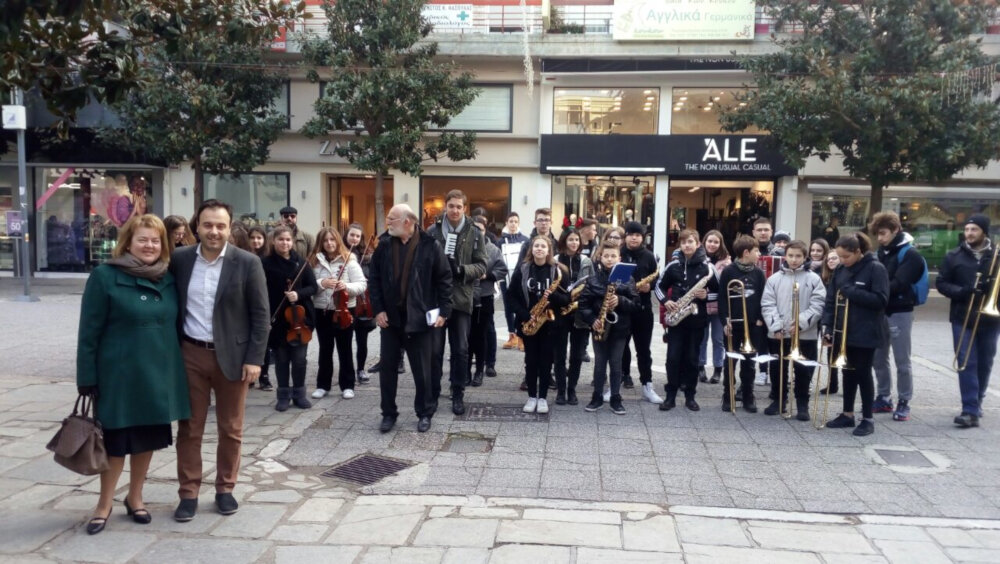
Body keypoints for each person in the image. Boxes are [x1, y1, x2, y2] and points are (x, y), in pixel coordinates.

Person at [76, 215, 191, 535]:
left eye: (155, 240)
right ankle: (104, 504)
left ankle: (135, 497)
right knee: (115, 443)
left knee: (146, 440)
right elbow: (88, 331)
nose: (149, 246)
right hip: (119, 377)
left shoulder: (167, 278)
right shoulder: (104, 276)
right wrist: (86, 376)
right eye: (143, 239)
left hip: (157, 376)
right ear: (127, 243)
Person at [170, 199, 269, 522]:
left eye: (220, 225)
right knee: (189, 428)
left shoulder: (247, 262)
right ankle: (188, 493)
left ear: (230, 228)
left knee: (231, 428)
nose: (214, 231)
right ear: (197, 227)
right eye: (208, 225)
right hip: (190, 354)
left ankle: (225, 489)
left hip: (234, 358)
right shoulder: (180, 259)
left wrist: (255, 359)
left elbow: (261, 315)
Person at [370, 204, 452, 433]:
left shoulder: (430, 245)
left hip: (419, 319)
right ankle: (388, 413)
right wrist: (378, 309)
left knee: (422, 370)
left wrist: (444, 311)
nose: (387, 222)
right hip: (391, 318)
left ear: (407, 222)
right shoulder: (384, 245)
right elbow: (374, 279)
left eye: (392, 219)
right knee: (387, 369)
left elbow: (445, 279)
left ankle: (425, 413)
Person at [426, 190, 488, 415]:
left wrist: (462, 270)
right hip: (436, 300)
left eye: (459, 207)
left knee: (461, 349)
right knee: (434, 351)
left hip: (461, 299)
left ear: (465, 208)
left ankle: (458, 392)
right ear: (445, 206)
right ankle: (432, 394)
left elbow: (482, 265)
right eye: (451, 206)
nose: (454, 210)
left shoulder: (474, 232)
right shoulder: (432, 231)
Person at [821, 233, 889, 436]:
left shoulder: (875, 268)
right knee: (847, 372)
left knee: (863, 373)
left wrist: (852, 292)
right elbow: (831, 300)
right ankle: (847, 413)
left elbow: (881, 300)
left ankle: (867, 418)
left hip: (866, 330)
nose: (842, 261)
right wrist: (828, 327)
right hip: (843, 330)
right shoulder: (841, 269)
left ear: (858, 252)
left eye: (846, 256)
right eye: (839, 256)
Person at [936, 214, 998, 428]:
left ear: (984, 232)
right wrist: (964, 291)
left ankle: (977, 401)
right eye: (967, 229)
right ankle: (969, 409)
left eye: (974, 229)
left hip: (991, 318)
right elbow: (942, 283)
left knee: (985, 362)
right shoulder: (954, 255)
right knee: (966, 362)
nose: (969, 233)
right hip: (963, 316)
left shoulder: (996, 256)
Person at [761, 240, 826, 420]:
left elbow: (818, 304)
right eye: (790, 255)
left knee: (803, 370)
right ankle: (778, 400)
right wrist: (776, 326)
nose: (794, 259)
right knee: (777, 368)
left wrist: (800, 323)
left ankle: (802, 404)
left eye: (798, 256)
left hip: (804, 333)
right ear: (785, 256)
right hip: (779, 333)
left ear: (805, 257)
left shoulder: (814, 279)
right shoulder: (774, 279)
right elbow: (767, 304)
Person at [871, 211, 925, 421]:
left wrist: (874, 291)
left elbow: (899, 283)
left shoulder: (910, 254)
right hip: (880, 310)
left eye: (883, 233)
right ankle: (884, 396)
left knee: (902, 360)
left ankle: (904, 400)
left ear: (895, 230)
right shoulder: (881, 252)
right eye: (877, 234)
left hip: (900, 310)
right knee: (878, 357)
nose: (880, 238)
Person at [508, 235, 571, 413]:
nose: (539, 249)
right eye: (536, 246)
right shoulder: (522, 269)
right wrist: (525, 314)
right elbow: (510, 296)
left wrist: (553, 296)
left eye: (543, 246)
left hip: (550, 324)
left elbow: (567, 299)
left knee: (546, 361)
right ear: (531, 249)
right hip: (529, 321)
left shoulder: (558, 271)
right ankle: (531, 396)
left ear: (549, 250)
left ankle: (542, 397)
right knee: (530, 361)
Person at [657, 229, 718, 411]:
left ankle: (690, 396)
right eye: (683, 242)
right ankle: (670, 396)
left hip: (697, 320)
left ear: (698, 244)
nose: (686, 245)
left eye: (690, 242)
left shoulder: (708, 268)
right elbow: (659, 287)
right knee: (673, 358)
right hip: (676, 321)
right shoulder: (673, 266)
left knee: (692, 359)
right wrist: (666, 301)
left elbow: (719, 293)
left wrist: (706, 295)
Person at [579, 240, 639, 414]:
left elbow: (636, 304)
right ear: (600, 257)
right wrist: (592, 320)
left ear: (619, 258)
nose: (610, 259)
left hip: (620, 329)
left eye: (613, 256)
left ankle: (615, 397)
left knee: (615, 363)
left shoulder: (627, 279)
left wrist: (620, 300)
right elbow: (583, 304)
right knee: (599, 364)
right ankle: (597, 396)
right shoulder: (593, 280)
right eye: (606, 256)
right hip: (599, 327)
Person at [262, 225, 318, 411]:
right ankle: (283, 396)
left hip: (299, 319)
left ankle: (299, 395)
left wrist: (298, 294)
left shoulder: (301, 263)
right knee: (282, 359)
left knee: (300, 359)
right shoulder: (265, 263)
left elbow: (313, 287)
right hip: (278, 319)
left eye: (287, 240)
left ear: (292, 242)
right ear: (274, 241)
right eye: (280, 239)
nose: (284, 243)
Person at [311, 226, 366, 400]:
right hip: (322, 310)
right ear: (321, 243)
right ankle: (323, 385)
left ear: (337, 241)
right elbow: (309, 285)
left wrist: (346, 286)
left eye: (332, 239)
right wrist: (321, 283)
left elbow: (362, 284)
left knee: (345, 348)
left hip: (344, 310)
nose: (329, 243)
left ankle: (348, 385)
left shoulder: (349, 260)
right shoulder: (314, 261)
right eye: (325, 240)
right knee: (325, 349)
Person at [718, 235, 767, 413]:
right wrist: (725, 320)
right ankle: (728, 395)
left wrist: (761, 319)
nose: (759, 254)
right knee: (730, 361)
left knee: (749, 363)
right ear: (746, 252)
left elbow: (764, 297)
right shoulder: (728, 271)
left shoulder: (758, 273)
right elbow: (722, 298)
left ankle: (748, 395)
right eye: (756, 251)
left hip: (753, 325)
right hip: (733, 324)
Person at [621, 221, 664, 403]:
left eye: (638, 235)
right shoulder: (619, 253)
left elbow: (656, 277)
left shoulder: (648, 256)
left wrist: (650, 285)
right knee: (621, 347)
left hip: (643, 309)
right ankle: (621, 378)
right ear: (626, 236)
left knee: (644, 350)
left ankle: (647, 385)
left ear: (642, 237)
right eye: (631, 234)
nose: (634, 238)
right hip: (623, 308)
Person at [553, 228, 594, 405]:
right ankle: (561, 390)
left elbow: (592, 284)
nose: (574, 243)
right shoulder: (554, 260)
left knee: (577, 355)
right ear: (564, 241)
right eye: (571, 239)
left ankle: (572, 389)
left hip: (580, 313)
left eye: (577, 240)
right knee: (559, 355)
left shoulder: (586, 261)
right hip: (560, 311)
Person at [469, 216, 507, 385]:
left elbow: (502, 269)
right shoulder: (464, 247)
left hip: (485, 296)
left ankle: (484, 367)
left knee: (483, 333)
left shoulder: (492, 249)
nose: (477, 233)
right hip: (465, 296)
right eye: (474, 229)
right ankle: (464, 371)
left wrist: (488, 275)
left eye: (480, 229)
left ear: (485, 230)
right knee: (466, 335)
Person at [698, 230, 731, 385]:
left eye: (716, 242)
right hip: (702, 306)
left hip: (719, 307)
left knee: (718, 340)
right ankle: (700, 367)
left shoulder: (727, 262)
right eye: (710, 241)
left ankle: (718, 369)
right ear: (704, 242)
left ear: (720, 244)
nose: (712, 244)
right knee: (702, 339)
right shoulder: (697, 258)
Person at [345, 223, 376, 384]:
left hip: (363, 303)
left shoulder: (368, 256)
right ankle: (347, 370)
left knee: (362, 340)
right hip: (345, 302)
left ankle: (361, 369)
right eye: (352, 235)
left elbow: (373, 278)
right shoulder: (340, 254)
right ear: (346, 235)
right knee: (345, 340)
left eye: (357, 236)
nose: (354, 238)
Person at [247, 225, 273, 391]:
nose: (256, 241)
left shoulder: (268, 259)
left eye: (259, 238)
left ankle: (264, 376)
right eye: (253, 238)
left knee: (265, 342)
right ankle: (249, 376)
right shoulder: (243, 257)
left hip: (264, 303)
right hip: (246, 304)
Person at [499, 212, 529, 351]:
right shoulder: (500, 241)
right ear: (506, 223)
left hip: (521, 279)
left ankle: (521, 336)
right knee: (508, 307)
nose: (513, 224)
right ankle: (512, 335)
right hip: (505, 279)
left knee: (521, 306)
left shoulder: (525, 240)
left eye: (516, 221)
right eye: (511, 221)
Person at [816, 248, 841, 395]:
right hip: (827, 318)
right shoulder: (823, 278)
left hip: (841, 318)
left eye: (834, 258)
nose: (831, 261)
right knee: (831, 352)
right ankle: (832, 384)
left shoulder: (843, 277)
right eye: (829, 259)